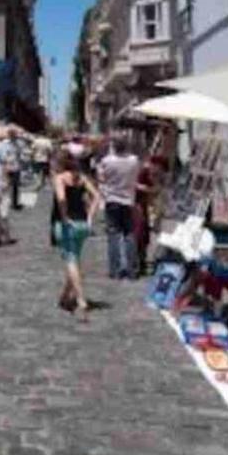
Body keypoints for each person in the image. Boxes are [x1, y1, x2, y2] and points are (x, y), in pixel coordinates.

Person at [52, 152, 100, 321]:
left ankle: (80, 300)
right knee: (74, 261)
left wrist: (65, 218)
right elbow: (97, 197)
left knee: (71, 261)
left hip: (67, 224)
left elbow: (61, 199)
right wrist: (90, 218)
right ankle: (65, 297)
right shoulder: (82, 178)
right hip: (82, 224)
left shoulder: (60, 178)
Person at [97, 135, 140, 280]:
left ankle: (114, 270)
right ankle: (132, 270)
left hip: (112, 200)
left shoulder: (107, 161)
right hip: (128, 201)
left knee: (113, 236)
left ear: (114, 146)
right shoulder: (134, 160)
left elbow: (101, 178)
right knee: (130, 235)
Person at [6, 128, 23, 210]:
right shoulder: (5, 143)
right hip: (7, 167)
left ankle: (14, 203)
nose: (13, 136)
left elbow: (21, 154)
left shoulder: (19, 143)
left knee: (15, 186)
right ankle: (7, 202)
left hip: (16, 167)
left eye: (14, 134)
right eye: (11, 134)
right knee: (6, 185)